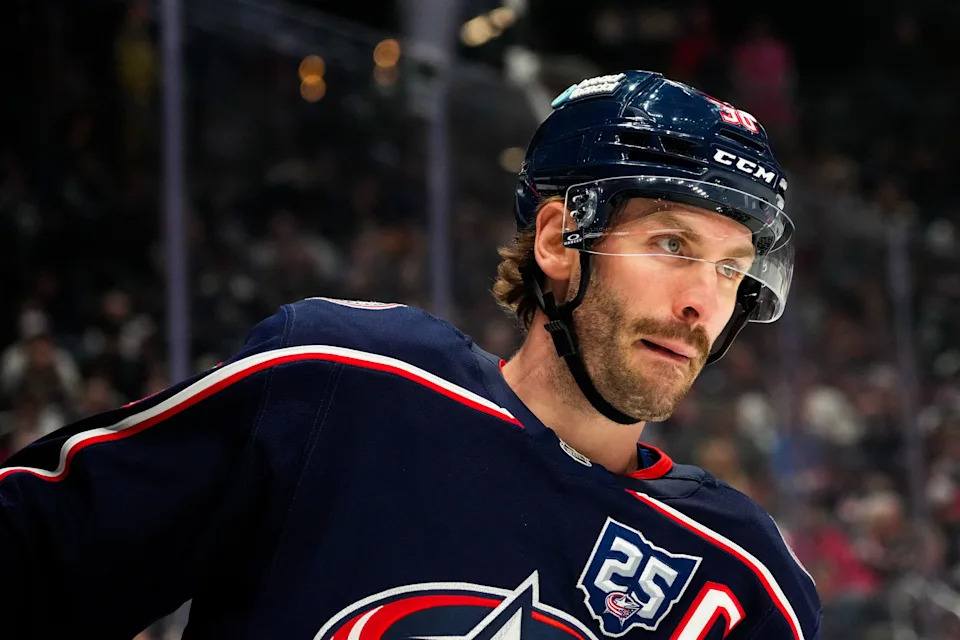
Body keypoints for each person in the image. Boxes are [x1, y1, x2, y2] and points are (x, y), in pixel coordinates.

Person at [0, 70, 820, 639]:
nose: (702, 302)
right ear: (559, 238)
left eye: (731, 267)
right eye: (673, 243)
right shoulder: (343, 385)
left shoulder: (745, 583)